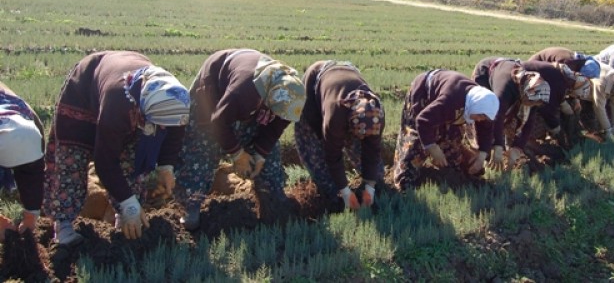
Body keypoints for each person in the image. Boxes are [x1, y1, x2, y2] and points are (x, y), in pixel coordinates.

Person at [43, 51, 190, 245]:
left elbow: (174, 133)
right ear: (142, 112)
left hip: (123, 94)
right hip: (84, 94)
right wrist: (129, 204)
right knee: (73, 161)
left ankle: (124, 220)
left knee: (134, 161)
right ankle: (63, 226)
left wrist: (166, 167)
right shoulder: (118, 104)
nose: (161, 128)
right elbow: (105, 161)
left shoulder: (175, 100)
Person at [177, 49, 305, 230]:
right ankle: (191, 206)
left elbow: (276, 126)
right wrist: (237, 155)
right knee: (202, 150)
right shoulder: (245, 91)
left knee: (269, 156)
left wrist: (260, 154)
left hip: (251, 104)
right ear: (268, 101)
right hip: (213, 97)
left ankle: (273, 200)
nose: (280, 116)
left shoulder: (291, 95)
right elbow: (219, 122)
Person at [294, 60, 384, 211]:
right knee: (316, 152)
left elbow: (373, 150)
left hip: (345, 74)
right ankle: (331, 196)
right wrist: (345, 192)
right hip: (314, 86)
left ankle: (369, 186)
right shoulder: (335, 117)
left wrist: (370, 188)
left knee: (368, 162)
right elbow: (333, 156)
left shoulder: (375, 113)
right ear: (349, 123)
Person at [392, 69, 498, 191]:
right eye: (480, 116)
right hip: (423, 96)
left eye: (484, 117)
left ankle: (449, 171)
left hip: (448, 108)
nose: (480, 120)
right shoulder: (451, 99)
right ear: (474, 106)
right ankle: (403, 181)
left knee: (451, 147)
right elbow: (422, 120)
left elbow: (486, 128)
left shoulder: (481, 104)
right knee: (415, 143)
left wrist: (481, 156)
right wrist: (432, 147)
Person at [472, 58, 551, 169]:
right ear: (525, 93)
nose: (532, 105)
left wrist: (518, 148)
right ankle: (483, 154)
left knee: (513, 119)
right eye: (531, 102)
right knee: (485, 117)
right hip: (484, 74)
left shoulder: (533, 93)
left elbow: (528, 122)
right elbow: (497, 116)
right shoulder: (505, 88)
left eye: (535, 104)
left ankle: (507, 149)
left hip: (511, 84)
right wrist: (498, 145)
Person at [0, 82, 45, 241]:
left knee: (30, 167)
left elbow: (34, 174)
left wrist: (31, 215)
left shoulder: (31, 131)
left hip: (27, 137)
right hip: (26, 137)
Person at [576, 63, 614, 139]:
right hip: (581, 89)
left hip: (595, 91)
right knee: (592, 127)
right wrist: (608, 129)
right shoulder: (601, 82)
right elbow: (599, 107)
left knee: (602, 126)